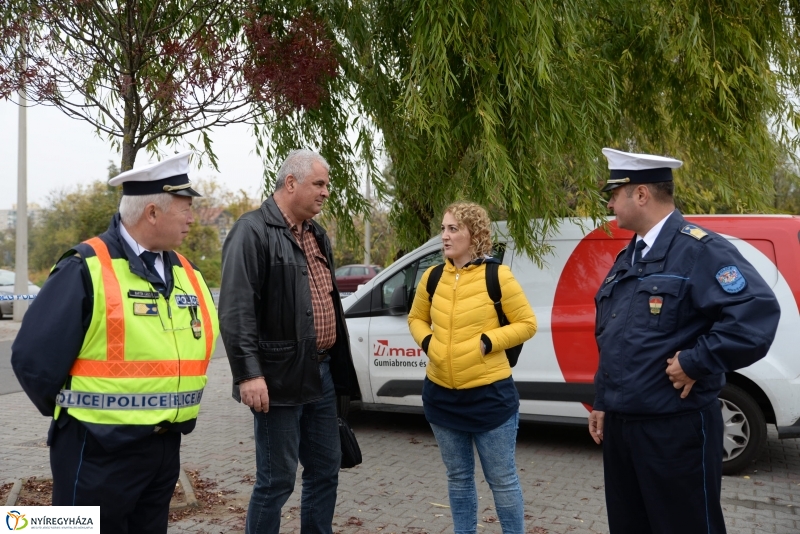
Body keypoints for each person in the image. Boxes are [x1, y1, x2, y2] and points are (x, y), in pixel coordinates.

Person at [11, 151, 220, 534]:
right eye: (185, 208)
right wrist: (76, 412)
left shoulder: (186, 272)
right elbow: (31, 359)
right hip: (95, 449)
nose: (193, 219)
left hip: (162, 448)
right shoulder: (85, 267)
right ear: (152, 213)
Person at [589, 148, 781, 534]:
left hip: (676, 430)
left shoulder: (700, 250)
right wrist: (603, 401)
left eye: (614, 193)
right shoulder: (629, 256)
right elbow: (618, 336)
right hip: (624, 429)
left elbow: (755, 316)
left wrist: (697, 360)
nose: (609, 203)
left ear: (640, 194)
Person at [218, 148, 357, 534]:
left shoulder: (316, 234)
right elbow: (235, 310)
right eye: (319, 183)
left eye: (327, 185)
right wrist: (248, 375)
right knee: (277, 480)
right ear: (290, 183)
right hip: (276, 380)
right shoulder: (251, 230)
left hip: (322, 373)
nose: (327, 192)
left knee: (326, 470)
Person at [407, 201, 537, 534]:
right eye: (443, 229)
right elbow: (416, 318)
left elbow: (527, 323)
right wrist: (428, 344)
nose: (445, 236)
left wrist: (488, 342)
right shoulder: (432, 277)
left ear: (474, 234)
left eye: (453, 229)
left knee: (503, 480)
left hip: (490, 396)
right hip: (441, 396)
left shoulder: (498, 275)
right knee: (458, 478)